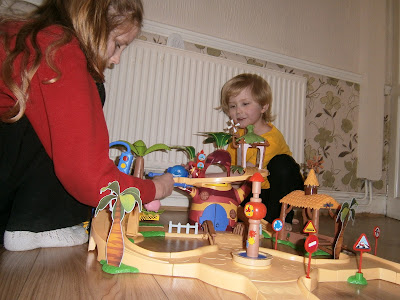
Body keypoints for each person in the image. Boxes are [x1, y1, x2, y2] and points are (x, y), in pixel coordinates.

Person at [0, 0, 174, 251]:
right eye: (118, 44)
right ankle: (35, 225)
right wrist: (154, 189)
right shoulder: (59, 48)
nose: (116, 60)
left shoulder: (32, 37)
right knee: (95, 87)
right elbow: (89, 177)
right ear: (91, 22)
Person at [220, 73, 304, 228]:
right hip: (260, 188)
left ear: (264, 106)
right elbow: (231, 170)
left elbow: (250, 167)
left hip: (283, 185)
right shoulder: (237, 137)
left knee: (281, 164)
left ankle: (282, 216)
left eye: (245, 104)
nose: (238, 111)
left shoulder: (272, 137)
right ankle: (264, 215)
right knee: (240, 201)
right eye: (233, 106)